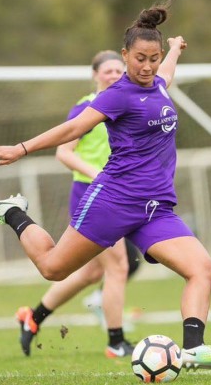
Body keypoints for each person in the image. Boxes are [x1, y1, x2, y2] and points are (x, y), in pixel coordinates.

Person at [0, 1, 211, 371]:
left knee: (203, 271)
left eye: (153, 59)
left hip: (155, 209)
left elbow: (165, 74)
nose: (147, 66)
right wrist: (21, 148)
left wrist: (174, 49)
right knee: (53, 268)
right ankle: (12, 212)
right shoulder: (118, 94)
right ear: (125, 55)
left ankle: (194, 349)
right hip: (114, 200)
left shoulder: (159, 84)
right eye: (140, 59)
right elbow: (73, 129)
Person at [16, 50, 141, 358]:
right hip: (93, 196)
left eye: (119, 70)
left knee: (90, 273)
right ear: (95, 74)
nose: (114, 75)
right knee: (120, 266)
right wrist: (99, 176)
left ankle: (33, 317)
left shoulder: (126, 104)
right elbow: (64, 152)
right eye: (108, 71)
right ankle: (116, 342)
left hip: (118, 195)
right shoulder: (87, 108)